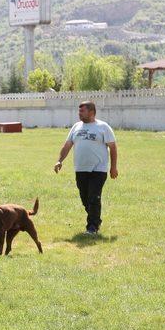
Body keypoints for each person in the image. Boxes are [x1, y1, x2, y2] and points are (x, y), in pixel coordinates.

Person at [54, 101, 118, 235]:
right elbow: (67, 145)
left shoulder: (103, 127)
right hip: (80, 169)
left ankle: (92, 227)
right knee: (85, 199)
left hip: (98, 169)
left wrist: (113, 167)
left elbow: (112, 147)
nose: (79, 113)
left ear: (91, 112)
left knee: (94, 197)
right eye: (79, 111)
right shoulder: (76, 127)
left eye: (82, 111)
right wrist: (59, 161)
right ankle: (96, 219)